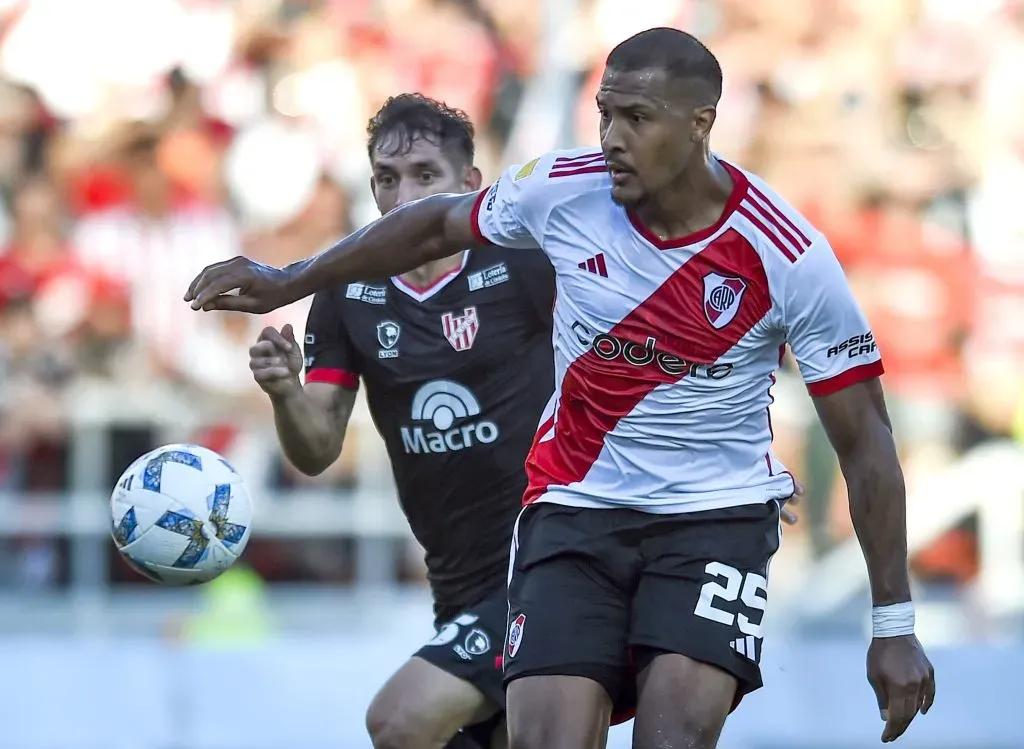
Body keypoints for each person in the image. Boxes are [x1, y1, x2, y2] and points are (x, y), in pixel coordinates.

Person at [185, 28, 931, 749]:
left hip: (712, 521)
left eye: (637, 118)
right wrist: (289, 279)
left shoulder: (786, 253)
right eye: (605, 111)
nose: (611, 136)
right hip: (573, 512)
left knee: (672, 735)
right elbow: (432, 229)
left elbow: (866, 441)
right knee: (540, 736)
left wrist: (893, 623)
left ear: (702, 123)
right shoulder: (560, 192)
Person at [246, 94, 556, 748]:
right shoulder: (347, 291)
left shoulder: (528, 264)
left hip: (551, 563)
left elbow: (627, 358)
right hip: (457, 583)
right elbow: (317, 450)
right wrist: (283, 392)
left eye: (424, 175)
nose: (405, 194)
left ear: (470, 185)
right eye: (388, 179)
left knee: (399, 719)